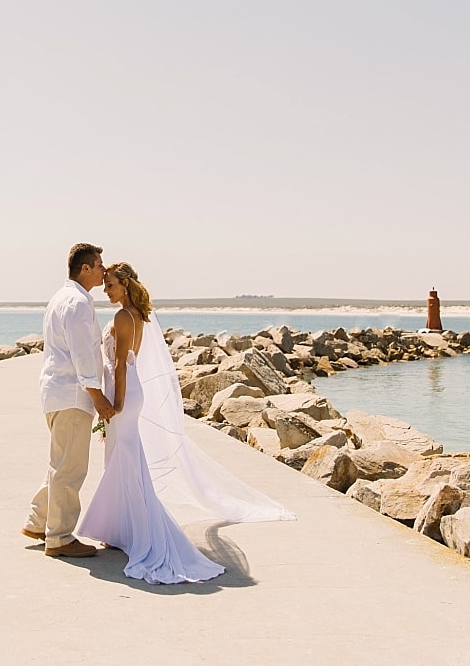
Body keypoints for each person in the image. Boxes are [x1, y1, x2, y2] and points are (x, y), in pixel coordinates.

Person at [79, 262, 292, 584]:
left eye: (110, 285)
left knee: (124, 461)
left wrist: (117, 403)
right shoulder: (137, 314)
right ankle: (122, 530)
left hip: (124, 392)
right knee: (123, 460)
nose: (105, 290)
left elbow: (121, 362)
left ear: (125, 285)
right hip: (129, 390)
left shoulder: (123, 316)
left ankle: (135, 532)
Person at [22, 242, 117, 558]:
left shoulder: (60, 298)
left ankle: (39, 522)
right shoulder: (77, 303)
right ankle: (60, 537)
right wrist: (98, 397)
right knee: (70, 469)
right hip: (72, 394)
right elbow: (82, 354)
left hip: (56, 392)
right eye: (99, 265)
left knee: (59, 463)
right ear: (85, 268)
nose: (104, 270)